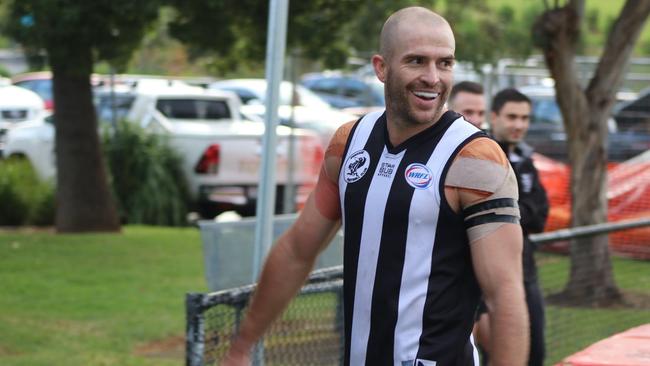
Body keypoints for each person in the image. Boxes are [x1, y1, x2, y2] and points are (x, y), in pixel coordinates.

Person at [224, 7, 529, 366]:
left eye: (444, 63)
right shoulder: (349, 143)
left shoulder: (475, 160)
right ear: (381, 68)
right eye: (416, 61)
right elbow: (296, 251)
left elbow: (505, 296)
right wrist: (242, 347)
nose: (432, 78)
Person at [474, 88, 549, 366]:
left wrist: (516, 211)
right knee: (498, 354)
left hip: (525, 270)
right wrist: (518, 212)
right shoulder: (483, 156)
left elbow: (539, 216)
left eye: (525, 118)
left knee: (535, 352)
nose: (519, 125)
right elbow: (491, 215)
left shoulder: (526, 160)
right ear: (494, 116)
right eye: (512, 117)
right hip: (487, 276)